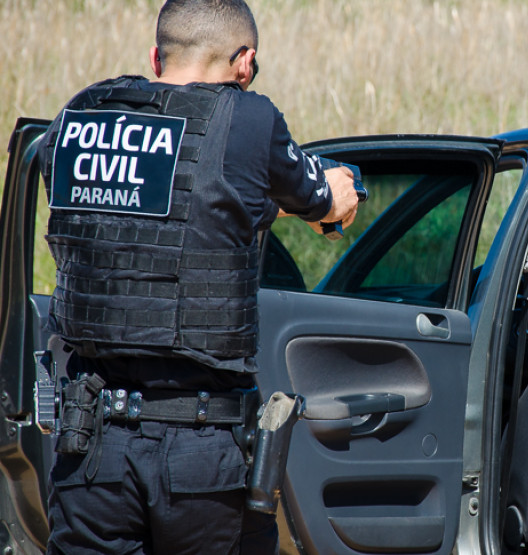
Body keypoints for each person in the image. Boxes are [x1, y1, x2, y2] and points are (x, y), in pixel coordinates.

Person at [35, 0, 359, 552]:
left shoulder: (77, 118)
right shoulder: (249, 122)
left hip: (89, 447)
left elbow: (144, 213)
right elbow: (323, 199)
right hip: (202, 453)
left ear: (156, 58)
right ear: (245, 63)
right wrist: (341, 194)